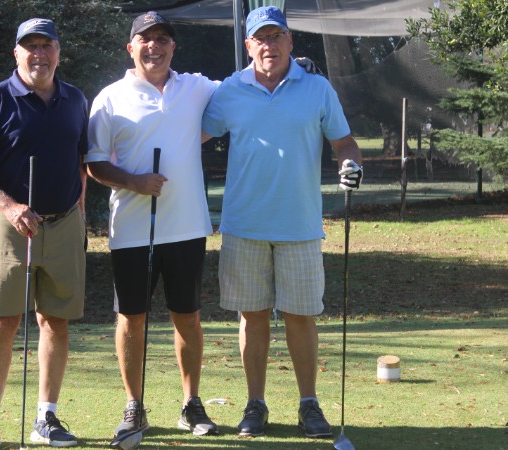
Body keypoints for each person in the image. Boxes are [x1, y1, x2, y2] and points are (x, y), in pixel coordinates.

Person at [201, 5, 363, 440]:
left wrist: (351, 165)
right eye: (261, 38)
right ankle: (255, 405)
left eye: (277, 37)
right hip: (244, 225)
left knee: (301, 317)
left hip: (300, 226)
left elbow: (345, 143)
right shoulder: (230, 90)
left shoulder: (317, 88)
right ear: (248, 45)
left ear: (290, 41)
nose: (269, 45)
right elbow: (193, 134)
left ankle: (309, 404)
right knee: (252, 317)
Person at [85, 11, 220, 442]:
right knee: (131, 319)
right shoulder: (110, 98)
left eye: (162, 39)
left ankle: (191, 403)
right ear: (131, 48)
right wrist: (134, 182)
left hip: (187, 227)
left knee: (188, 317)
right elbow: (94, 163)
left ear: (173, 47)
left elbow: (246, 88)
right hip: (131, 230)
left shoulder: (196, 87)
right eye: (145, 39)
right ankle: (134, 406)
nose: (154, 46)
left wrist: (295, 69)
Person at [0, 18, 88, 449]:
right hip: (9, 223)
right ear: (16, 53)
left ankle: (46, 418)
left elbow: (81, 162)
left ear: (58, 52)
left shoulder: (75, 99)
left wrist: (79, 212)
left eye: (46, 45)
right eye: (30, 46)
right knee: (4, 321)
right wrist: (9, 205)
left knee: (55, 321)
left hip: (64, 223)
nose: (39, 54)